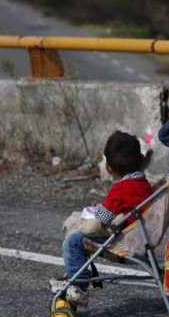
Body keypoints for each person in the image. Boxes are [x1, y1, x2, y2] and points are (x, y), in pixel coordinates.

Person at [50, 130, 153, 307]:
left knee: (75, 240)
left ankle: (78, 284)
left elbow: (102, 218)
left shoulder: (121, 189)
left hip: (125, 242)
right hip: (141, 237)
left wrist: (97, 209)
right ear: (142, 158)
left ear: (109, 168)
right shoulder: (144, 185)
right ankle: (77, 276)